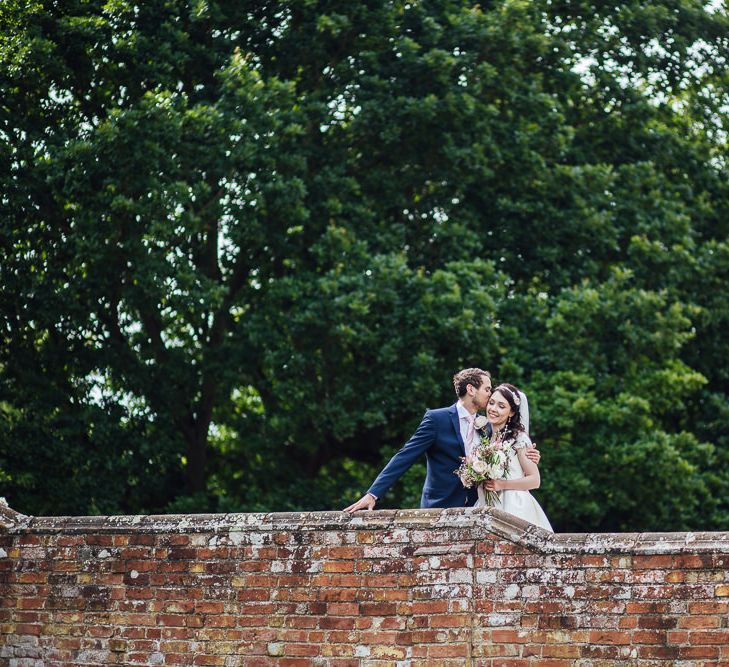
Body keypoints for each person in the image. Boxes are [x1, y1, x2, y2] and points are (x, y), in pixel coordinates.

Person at [343, 368, 541, 512]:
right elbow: (405, 456)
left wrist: (529, 458)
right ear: (471, 389)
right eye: (487, 389)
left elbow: (507, 456)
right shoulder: (437, 419)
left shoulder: (487, 426)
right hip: (439, 505)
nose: (490, 394)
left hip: (476, 506)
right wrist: (373, 494)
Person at [479, 383, 553, 531]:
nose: (493, 409)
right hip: (488, 503)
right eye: (491, 403)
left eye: (501, 406)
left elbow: (534, 480)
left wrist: (501, 484)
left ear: (511, 412)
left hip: (515, 505)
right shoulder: (484, 437)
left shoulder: (518, 439)